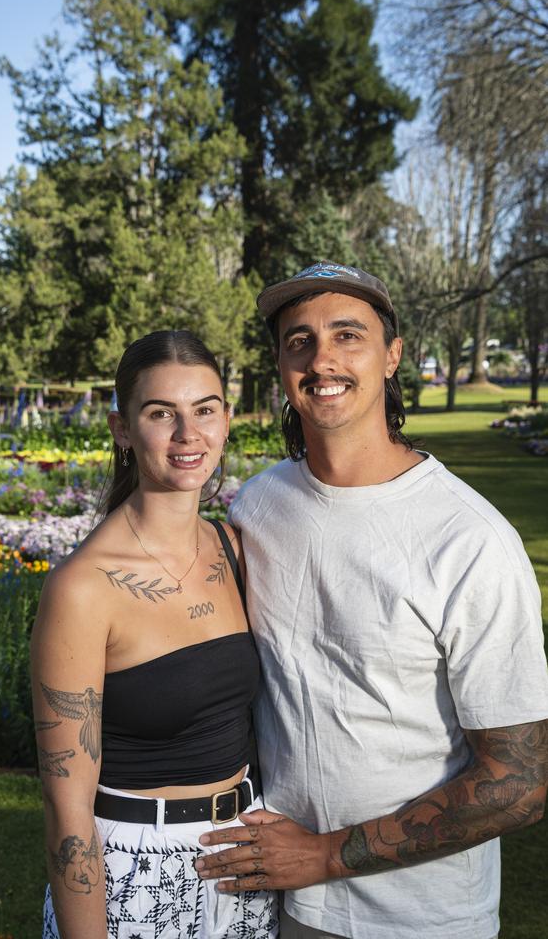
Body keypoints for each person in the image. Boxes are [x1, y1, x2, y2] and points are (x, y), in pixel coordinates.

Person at [195, 262, 548, 939]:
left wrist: (322, 854)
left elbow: (520, 783)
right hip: (280, 901)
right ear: (280, 365)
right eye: (298, 340)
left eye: (347, 335)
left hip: (421, 916)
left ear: (392, 356)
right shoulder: (261, 503)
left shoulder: (468, 540)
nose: (321, 357)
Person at [30, 330, 278, 939]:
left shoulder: (233, 548)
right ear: (122, 429)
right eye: (161, 413)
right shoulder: (83, 588)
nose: (187, 435)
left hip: (245, 863)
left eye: (205, 410)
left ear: (225, 420)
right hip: (137, 875)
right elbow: (67, 807)